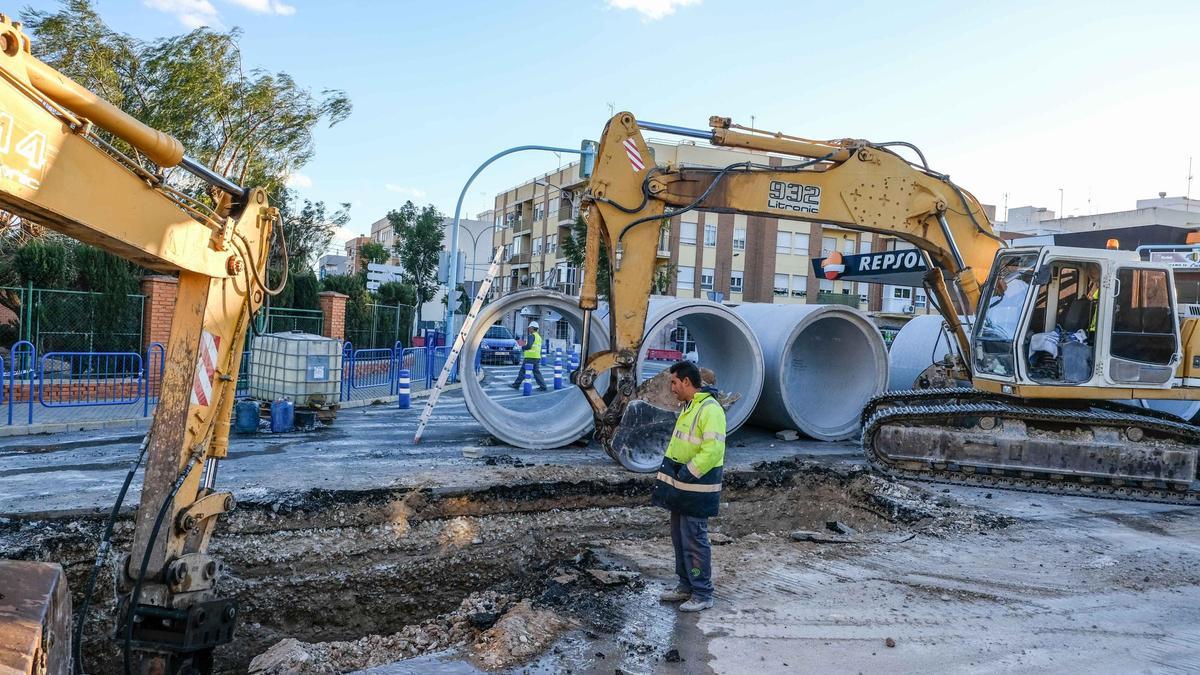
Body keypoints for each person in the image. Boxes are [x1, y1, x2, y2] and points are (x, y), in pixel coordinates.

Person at [652, 360, 726, 612]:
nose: (671, 388)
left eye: (674, 382)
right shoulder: (689, 406)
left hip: (697, 486)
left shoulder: (709, 409)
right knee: (680, 538)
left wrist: (688, 472)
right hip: (682, 485)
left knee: (694, 539)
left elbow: (713, 450)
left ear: (686, 381)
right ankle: (685, 584)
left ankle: (702, 593)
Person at [510, 320, 547, 391]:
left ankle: (516, 385)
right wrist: (522, 343)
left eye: (529, 328)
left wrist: (523, 347)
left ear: (532, 328)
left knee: (522, 371)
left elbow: (529, 346)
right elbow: (533, 345)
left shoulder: (531, 336)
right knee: (537, 373)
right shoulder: (538, 337)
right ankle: (543, 386)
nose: (528, 329)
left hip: (530, 357)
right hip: (536, 357)